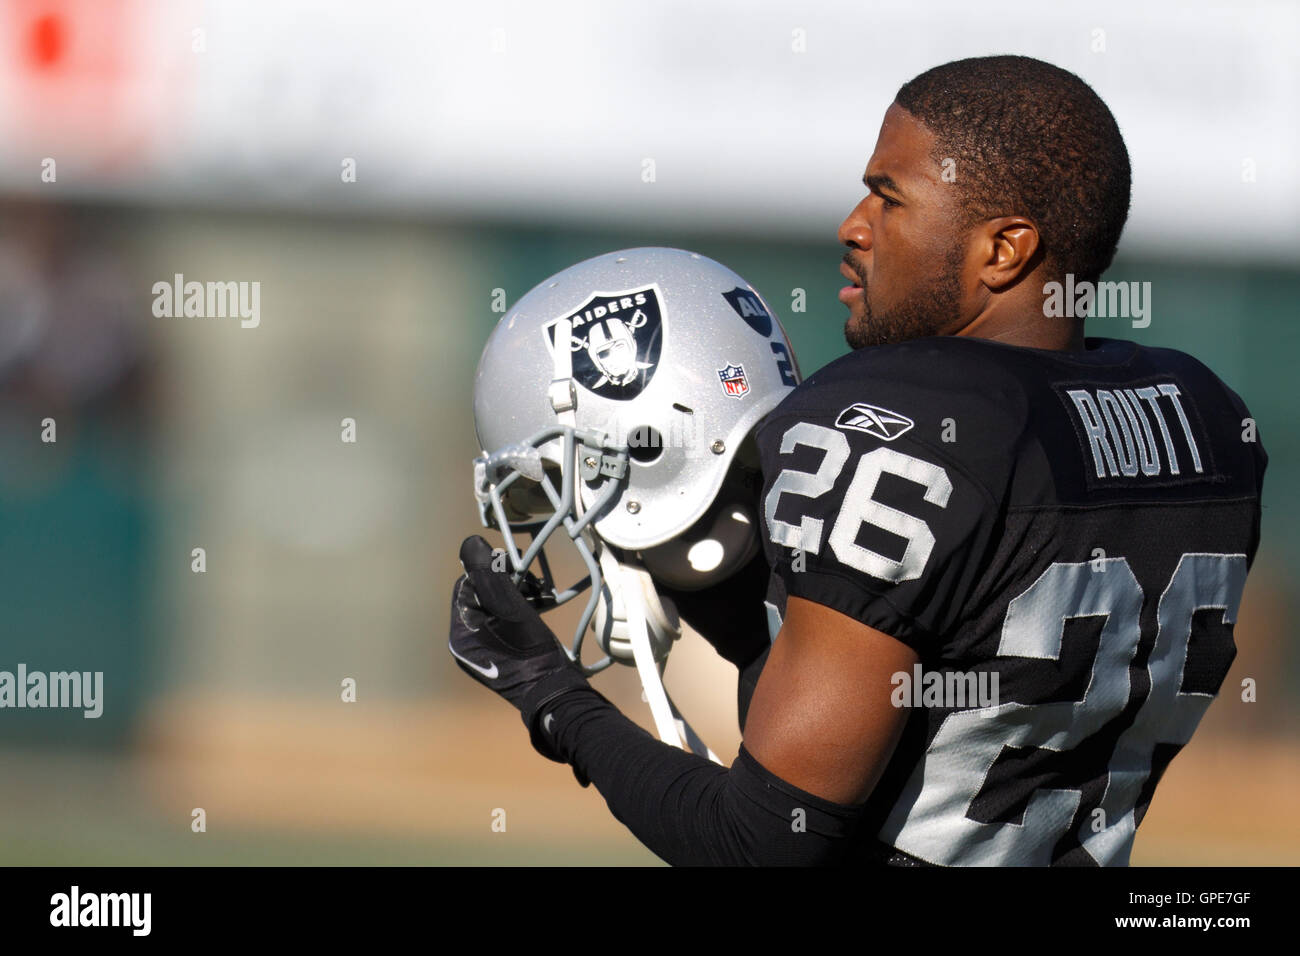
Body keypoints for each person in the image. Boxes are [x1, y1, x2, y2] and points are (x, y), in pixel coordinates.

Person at [447, 55, 1266, 865]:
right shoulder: (1204, 417)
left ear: (1004, 250)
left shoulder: (907, 414)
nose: (853, 225)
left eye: (889, 196)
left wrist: (550, 697)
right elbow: (954, 651)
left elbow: (765, 840)